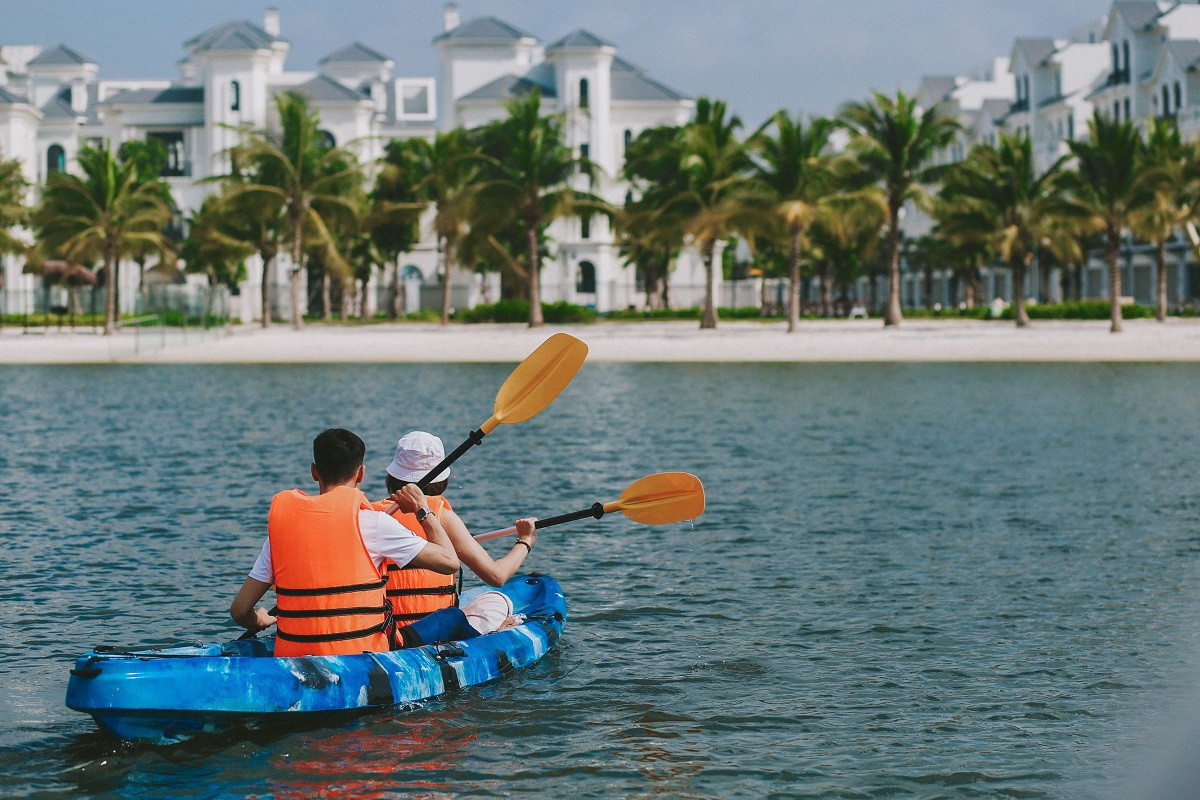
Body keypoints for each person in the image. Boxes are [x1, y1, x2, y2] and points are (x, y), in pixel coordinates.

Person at [229, 428, 460, 657]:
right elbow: (450, 562)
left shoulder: (282, 531)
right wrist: (423, 509)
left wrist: (257, 619)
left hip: (293, 655)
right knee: (452, 618)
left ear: (314, 472)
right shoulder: (375, 523)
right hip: (362, 659)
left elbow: (239, 611)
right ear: (361, 473)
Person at [374, 431, 538, 628]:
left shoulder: (371, 514)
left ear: (392, 476)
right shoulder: (443, 517)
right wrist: (525, 540)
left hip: (384, 629)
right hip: (434, 630)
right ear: (442, 481)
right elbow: (496, 576)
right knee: (497, 600)